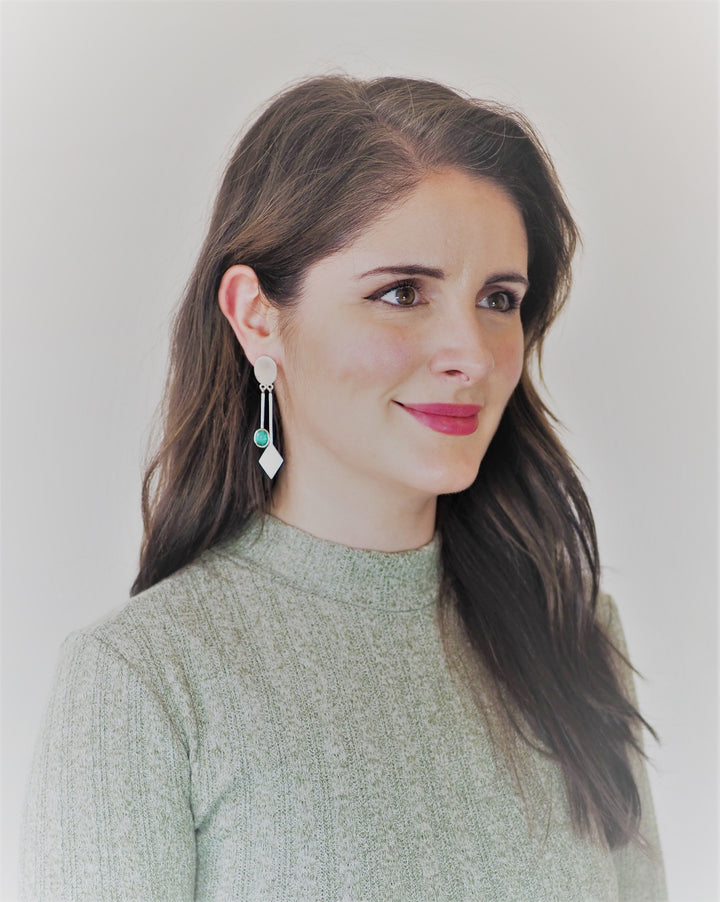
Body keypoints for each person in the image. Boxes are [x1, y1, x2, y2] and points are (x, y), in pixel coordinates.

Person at [20, 74, 667, 901]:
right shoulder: (143, 684)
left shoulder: (574, 634)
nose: (471, 352)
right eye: (402, 293)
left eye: (499, 299)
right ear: (257, 317)